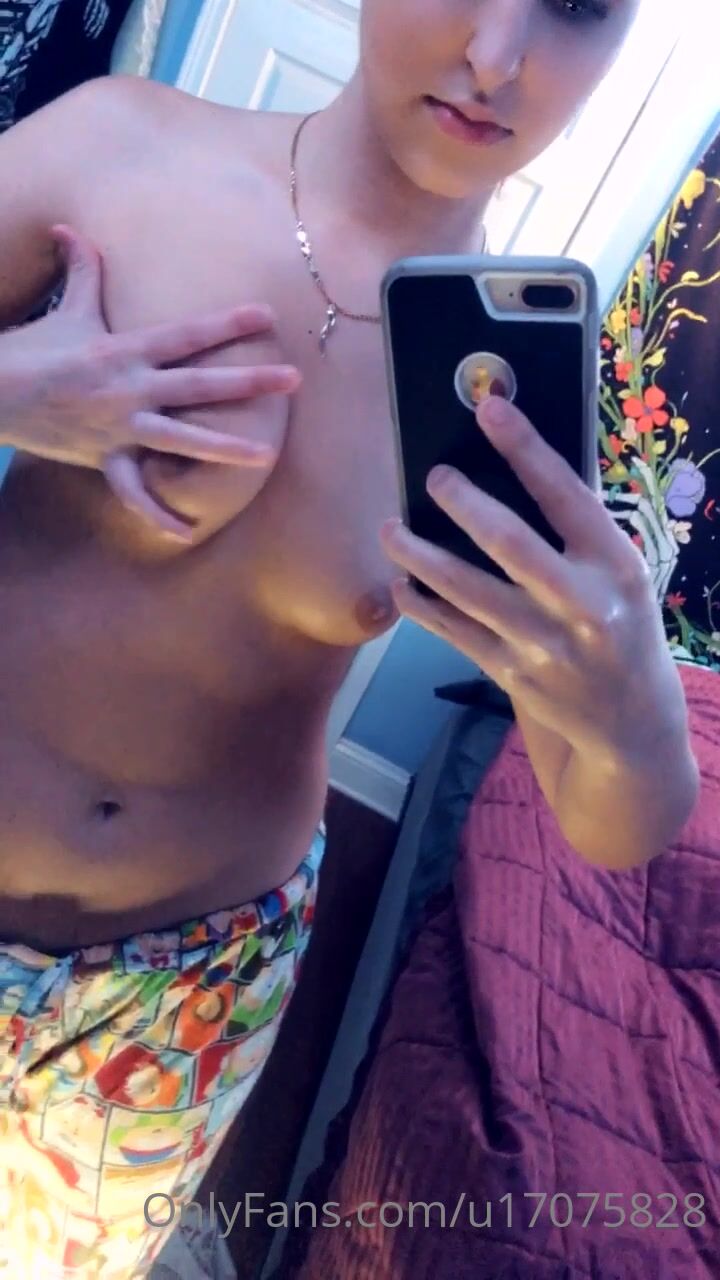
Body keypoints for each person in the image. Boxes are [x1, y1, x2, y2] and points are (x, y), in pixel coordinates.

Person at [0, 0, 699, 1273]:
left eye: (577, 4)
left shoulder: (512, 405)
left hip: (182, 993)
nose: (496, 58)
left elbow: (621, 822)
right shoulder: (116, 149)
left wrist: (636, 695)